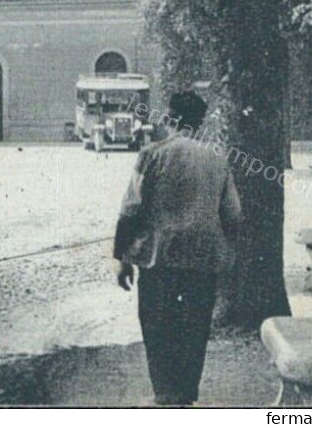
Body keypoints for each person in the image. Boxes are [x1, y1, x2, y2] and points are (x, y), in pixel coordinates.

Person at [114, 91, 241, 407]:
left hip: (160, 256)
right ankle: (186, 396)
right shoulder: (218, 158)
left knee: (157, 324)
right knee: (196, 325)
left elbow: (130, 208)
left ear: (169, 118)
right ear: (199, 122)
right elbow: (233, 215)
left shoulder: (151, 154)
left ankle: (164, 395)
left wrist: (121, 257)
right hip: (204, 257)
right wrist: (228, 254)